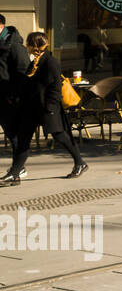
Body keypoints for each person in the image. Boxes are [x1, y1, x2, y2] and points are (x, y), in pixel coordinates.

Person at [4, 31, 87, 184]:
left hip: (47, 108)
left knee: (60, 136)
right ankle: (14, 174)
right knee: (23, 139)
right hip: (31, 108)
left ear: (34, 45)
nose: (26, 46)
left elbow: (55, 87)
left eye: (29, 43)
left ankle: (80, 162)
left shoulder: (50, 62)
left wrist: (50, 107)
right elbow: (30, 84)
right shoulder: (34, 61)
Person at [0, 16, 30, 152]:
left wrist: (14, 96)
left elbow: (23, 71)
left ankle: (18, 166)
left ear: (1, 26)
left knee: (12, 132)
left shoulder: (14, 45)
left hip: (8, 96)